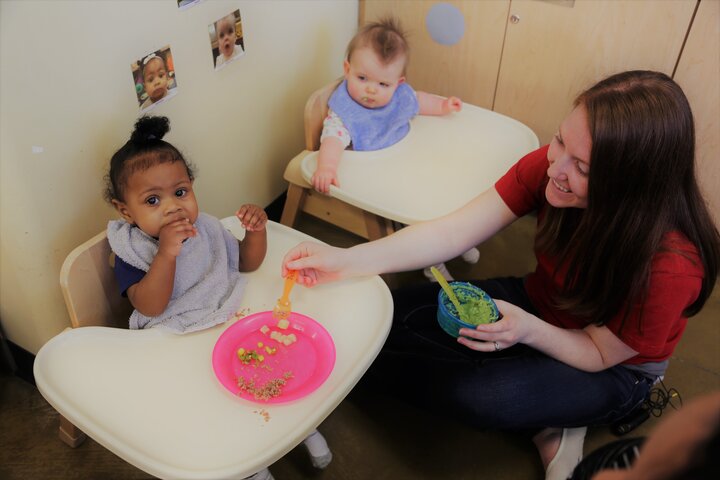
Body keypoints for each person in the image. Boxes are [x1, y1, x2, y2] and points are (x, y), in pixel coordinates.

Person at [282, 70, 720, 480]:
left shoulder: (672, 264)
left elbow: (601, 352)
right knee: (385, 316)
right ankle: (547, 411)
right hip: (540, 302)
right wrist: (345, 259)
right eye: (559, 140)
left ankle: (561, 416)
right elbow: (453, 231)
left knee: (474, 395)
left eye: (583, 169)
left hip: (614, 368)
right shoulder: (552, 167)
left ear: (633, 187)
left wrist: (527, 331)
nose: (556, 167)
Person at [104, 116, 331, 480]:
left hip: (225, 313)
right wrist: (166, 254)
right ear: (125, 211)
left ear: (192, 187)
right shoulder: (131, 253)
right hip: (177, 336)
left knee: (270, 365)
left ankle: (301, 427)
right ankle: (253, 465)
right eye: (152, 200)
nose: (173, 207)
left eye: (180, 192)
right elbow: (150, 306)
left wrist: (255, 232)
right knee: (223, 403)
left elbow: (245, 262)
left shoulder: (206, 226)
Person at [311, 17, 477, 281]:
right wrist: (326, 167)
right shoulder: (345, 112)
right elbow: (332, 139)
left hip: (404, 163)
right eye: (362, 77)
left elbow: (418, 101)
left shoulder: (400, 97)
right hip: (377, 179)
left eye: (382, 84)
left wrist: (443, 106)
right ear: (347, 68)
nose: (370, 90)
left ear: (398, 83)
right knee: (420, 211)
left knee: (443, 189)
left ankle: (461, 239)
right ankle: (434, 261)